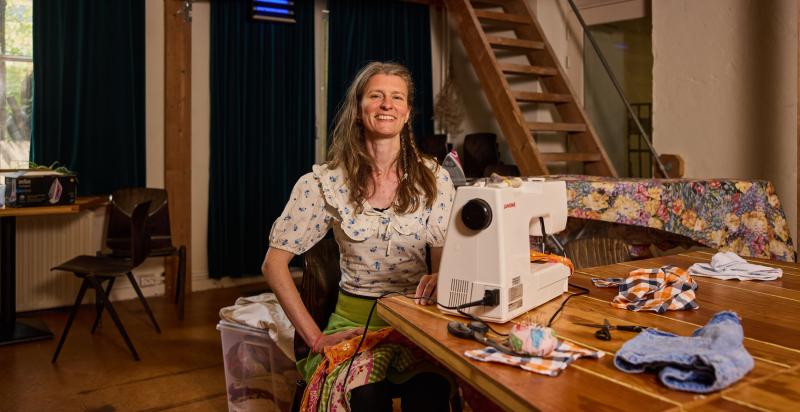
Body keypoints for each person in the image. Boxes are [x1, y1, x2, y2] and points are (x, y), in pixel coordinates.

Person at [262, 62, 456, 411]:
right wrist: (316, 338)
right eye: (376, 96)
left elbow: (441, 261)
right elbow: (273, 265)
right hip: (355, 324)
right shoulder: (323, 183)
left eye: (397, 97)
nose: (387, 104)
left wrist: (441, 279)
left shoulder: (435, 179)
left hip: (417, 321)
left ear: (407, 112)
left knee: (430, 393)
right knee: (364, 398)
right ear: (358, 109)